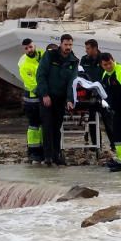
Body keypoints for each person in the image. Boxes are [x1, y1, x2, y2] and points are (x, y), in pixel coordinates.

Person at [36, 33, 78, 166]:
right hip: (47, 96)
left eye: (70, 45)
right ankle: (47, 156)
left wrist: (70, 99)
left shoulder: (73, 60)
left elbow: (72, 82)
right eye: (66, 44)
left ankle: (56, 155)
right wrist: (44, 94)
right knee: (47, 126)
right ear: (61, 44)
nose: (68, 47)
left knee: (57, 127)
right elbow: (41, 75)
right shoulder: (50, 55)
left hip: (60, 98)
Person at [80, 38, 114, 149]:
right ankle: (96, 144)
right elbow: (81, 75)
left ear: (95, 48)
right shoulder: (84, 60)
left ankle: (114, 144)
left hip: (104, 93)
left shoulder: (103, 58)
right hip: (90, 94)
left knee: (108, 119)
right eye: (86, 48)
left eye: (88, 48)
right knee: (92, 119)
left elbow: (110, 72)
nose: (86, 50)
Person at [17, 38, 45, 162]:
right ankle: (33, 152)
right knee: (34, 125)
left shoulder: (42, 54)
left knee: (44, 125)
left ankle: (45, 150)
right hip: (32, 99)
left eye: (31, 47)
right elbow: (32, 84)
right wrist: (45, 93)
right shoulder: (24, 63)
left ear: (34, 45)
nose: (29, 50)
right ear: (24, 50)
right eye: (27, 48)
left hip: (44, 96)